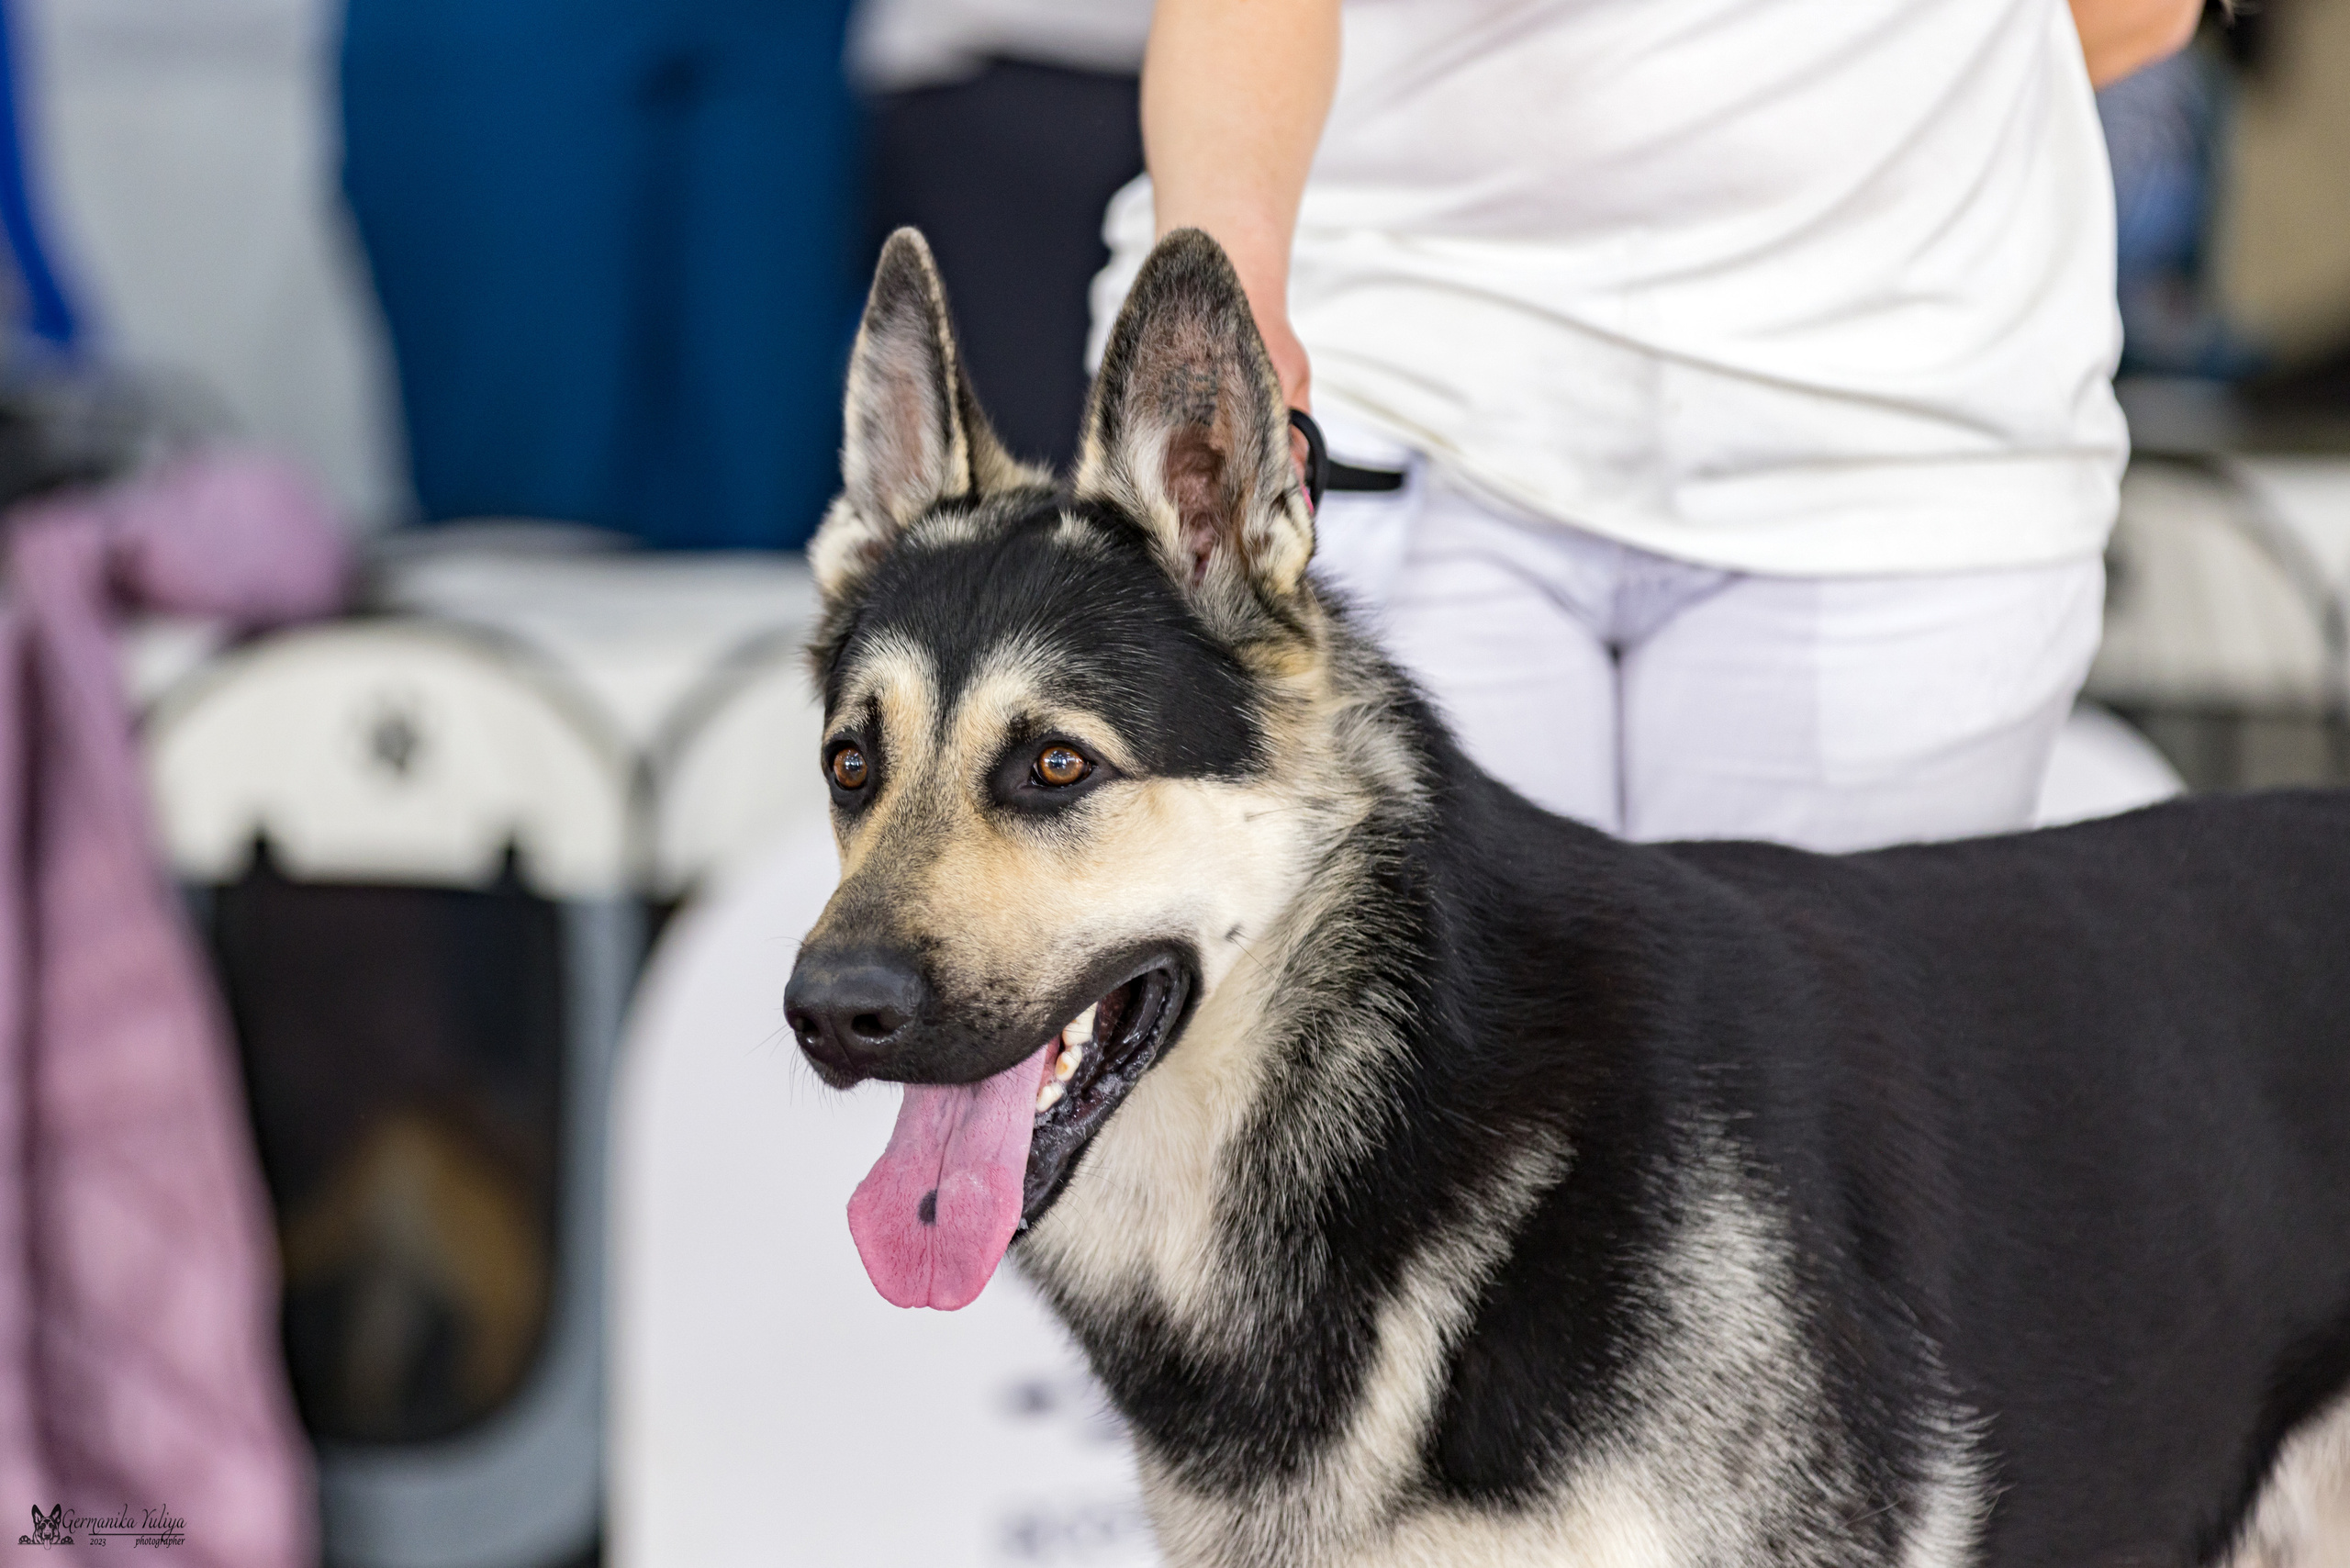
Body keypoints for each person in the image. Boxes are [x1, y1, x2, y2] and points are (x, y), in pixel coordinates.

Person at [1099, 0, 2205, 852]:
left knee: (1805, 1051)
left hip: (1896, 444)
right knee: (1455, 1053)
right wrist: (1224, 326)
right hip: (1398, 387)